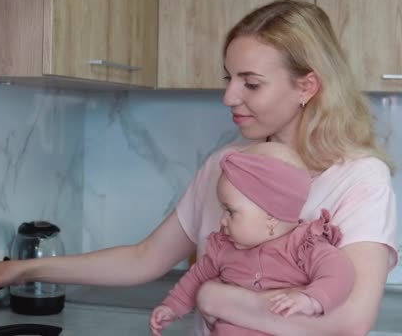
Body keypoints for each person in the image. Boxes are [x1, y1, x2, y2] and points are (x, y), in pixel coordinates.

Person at [0, 0, 398, 335]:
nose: (229, 97)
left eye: (252, 83)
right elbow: (144, 259)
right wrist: (20, 270)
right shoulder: (224, 166)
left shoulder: (359, 179)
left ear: (307, 86)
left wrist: (214, 297)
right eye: (229, 78)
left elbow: (348, 321)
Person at [149, 142, 355, 336]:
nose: (222, 221)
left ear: (271, 217)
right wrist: (172, 307)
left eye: (231, 211)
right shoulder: (223, 249)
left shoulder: (304, 245)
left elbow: (339, 274)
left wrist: (311, 300)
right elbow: (195, 279)